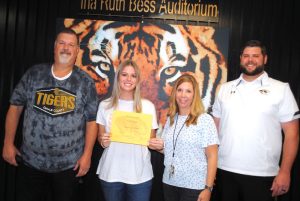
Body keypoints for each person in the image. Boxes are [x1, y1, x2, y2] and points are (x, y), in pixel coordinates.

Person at [2, 28, 99, 201]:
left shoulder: (85, 82)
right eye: (61, 43)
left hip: (68, 166)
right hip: (31, 163)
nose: (66, 48)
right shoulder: (34, 74)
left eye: (71, 45)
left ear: (77, 51)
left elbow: (92, 121)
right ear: (54, 47)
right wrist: (8, 143)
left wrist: (87, 156)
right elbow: (15, 108)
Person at [212, 40, 300, 201]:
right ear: (240, 58)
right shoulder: (224, 89)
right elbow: (213, 131)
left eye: (255, 56)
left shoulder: (281, 89)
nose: (250, 60)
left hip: (263, 175)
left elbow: (292, 135)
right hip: (223, 171)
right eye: (246, 56)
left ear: (265, 59)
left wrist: (285, 172)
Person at [96, 59, 158, 201]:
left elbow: (151, 141)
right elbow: (101, 138)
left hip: (140, 175)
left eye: (133, 75)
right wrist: (103, 141)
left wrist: (156, 144)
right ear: (118, 77)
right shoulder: (104, 105)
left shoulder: (147, 107)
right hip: (111, 172)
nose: (128, 79)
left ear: (137, 80)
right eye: (124, 74)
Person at [150, 74, 219, 201]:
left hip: (194, 187)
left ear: (194, 95)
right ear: (175, 93)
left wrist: (208, 188)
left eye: (188, 91)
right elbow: (171, 150)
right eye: (180, 90)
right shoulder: (171, 119)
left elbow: (212, 156)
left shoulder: (204, 120)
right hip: (170, 183)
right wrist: (157, 147)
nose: (183, 95)